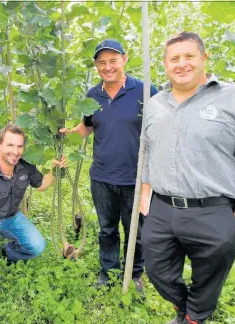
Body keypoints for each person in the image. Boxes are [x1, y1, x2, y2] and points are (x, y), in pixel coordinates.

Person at [139, 32, 235, 324]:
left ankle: (193, 318)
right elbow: (148, 149)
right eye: (174, 58)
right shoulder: (155, 104)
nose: (182, 64)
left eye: (189, 56)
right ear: (165, 64)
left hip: (214, 210)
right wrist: (145, 191)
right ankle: (184, 307)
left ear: (204, 58)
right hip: (162, 208)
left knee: (208, 277)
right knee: (157, 270)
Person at [60, 39, 157, 290]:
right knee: (107, 230)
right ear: (96, 66)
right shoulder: (93, 95)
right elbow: (86, 128)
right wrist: (65, 135)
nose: (108, 66)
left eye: (113, 60)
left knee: (135, 231)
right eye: (102, 62)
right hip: (102, 177)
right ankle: (108, 273)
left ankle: (134, 275)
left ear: (125, 59)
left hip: (135, 179)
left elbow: (161, 130)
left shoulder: (146, 91)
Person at [0, 125, 66, 279]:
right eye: (10, 145)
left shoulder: (26, 166)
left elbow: (42, 185)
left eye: (20, 146)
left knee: (38, 246)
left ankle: (10, 252)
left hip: (12, 218)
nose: (16, 151)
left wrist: (54, 168)